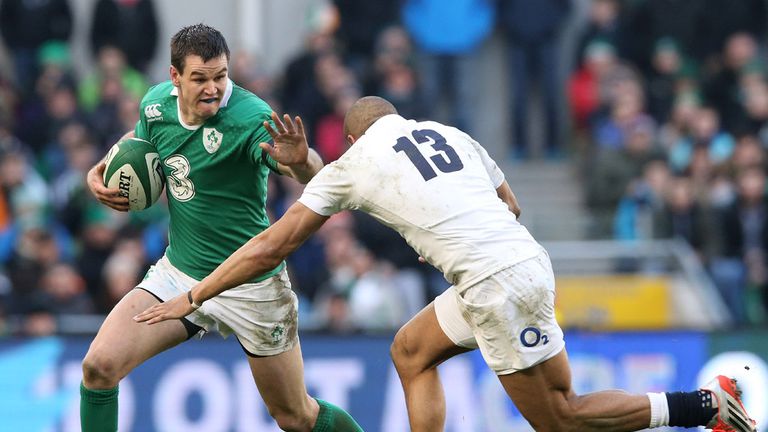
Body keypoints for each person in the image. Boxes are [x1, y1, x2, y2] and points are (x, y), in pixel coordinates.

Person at [135, 96, 756, 432]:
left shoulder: (355, 163)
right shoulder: (451, 135)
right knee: (410, 351)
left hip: (491, 284)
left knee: (561, 418)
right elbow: (509, 205)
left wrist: (196, 294)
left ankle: (705, 406)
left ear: (351, 142)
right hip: (523, 262)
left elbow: (274, 244)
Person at [82, 24, 362, 432]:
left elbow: (310, 172)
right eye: (200, 78)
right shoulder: (156, 104)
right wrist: (100, 168)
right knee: (98, 367)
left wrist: (302, 160)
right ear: (175, 77)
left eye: (220, 76)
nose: (213, 88)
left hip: (251, 284)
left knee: (295, 417)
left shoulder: (250, 118)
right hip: (180, 274)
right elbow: (140, 140)